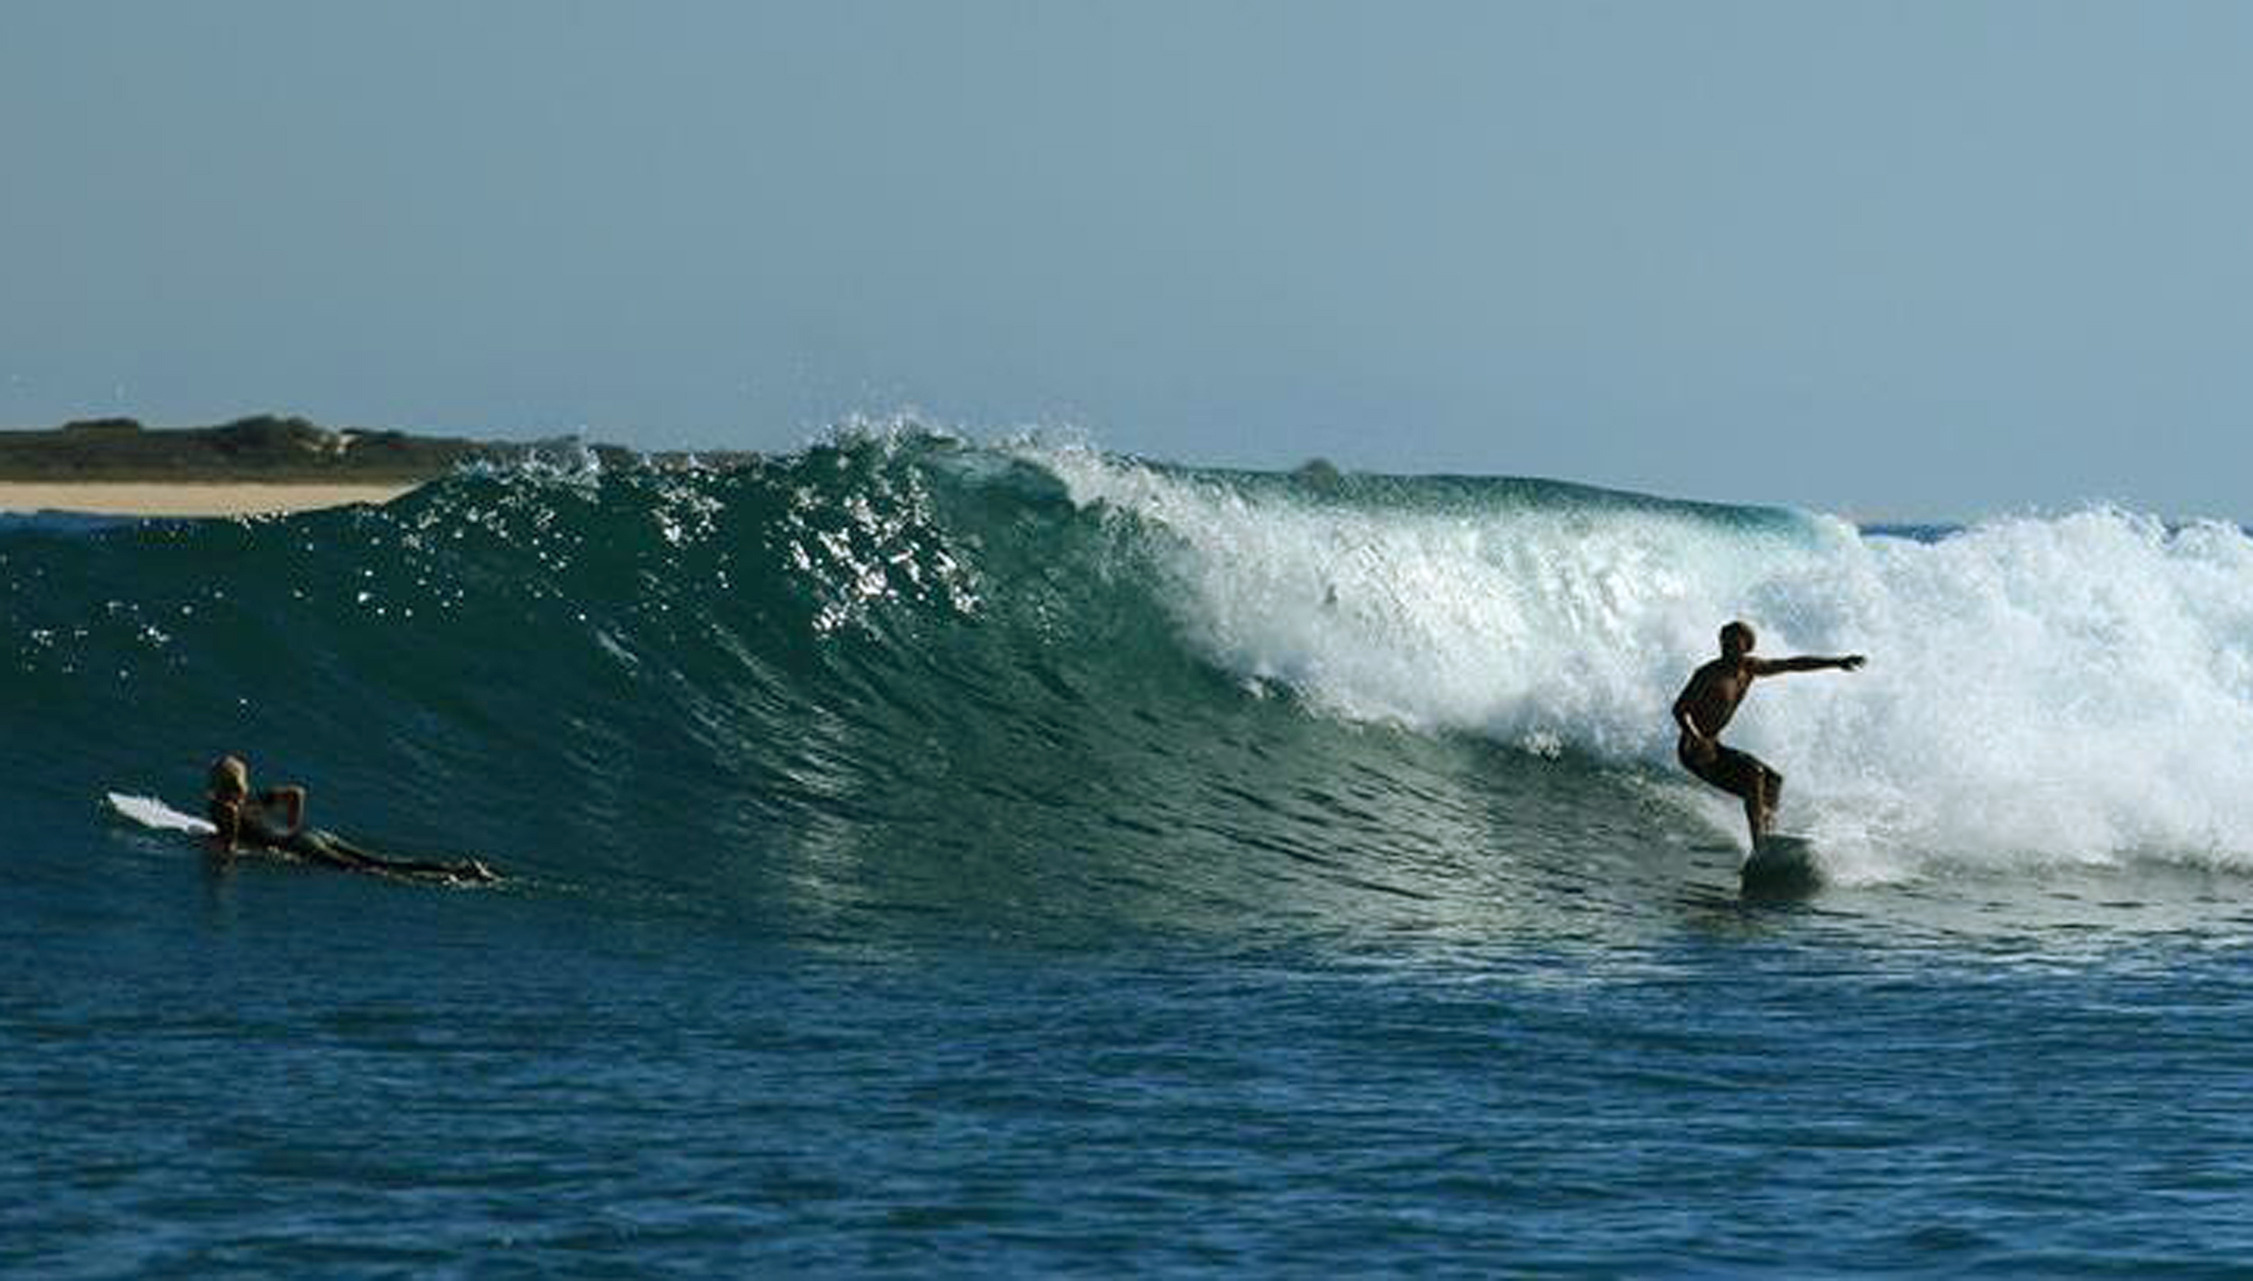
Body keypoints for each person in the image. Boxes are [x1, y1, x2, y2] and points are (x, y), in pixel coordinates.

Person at [1671, 622, 1864, 847]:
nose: (1727, 646)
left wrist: (1837, 662)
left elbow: (1793, 664)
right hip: (1693, 749)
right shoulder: (1709, 673)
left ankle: (1769, 833)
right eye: (1724, 641)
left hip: (1715, 746)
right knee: (1754, 775)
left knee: (1773, 780)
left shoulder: (1750, 668)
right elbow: (1680, 709)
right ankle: (1759, 843)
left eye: (1734, 642)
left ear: (1747, 646)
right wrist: (1695, 737)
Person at [205, 754, 496, 884]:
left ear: (219, 782)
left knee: (368, 870)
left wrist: (223, 862)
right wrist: (293, 828)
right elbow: (296, 793)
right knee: (381, 860)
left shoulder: (223, 807)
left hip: (303, 846)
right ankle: (462, 868)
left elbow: (229, 845)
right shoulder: (253, 798)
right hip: (314, 834)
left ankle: (449, 877)